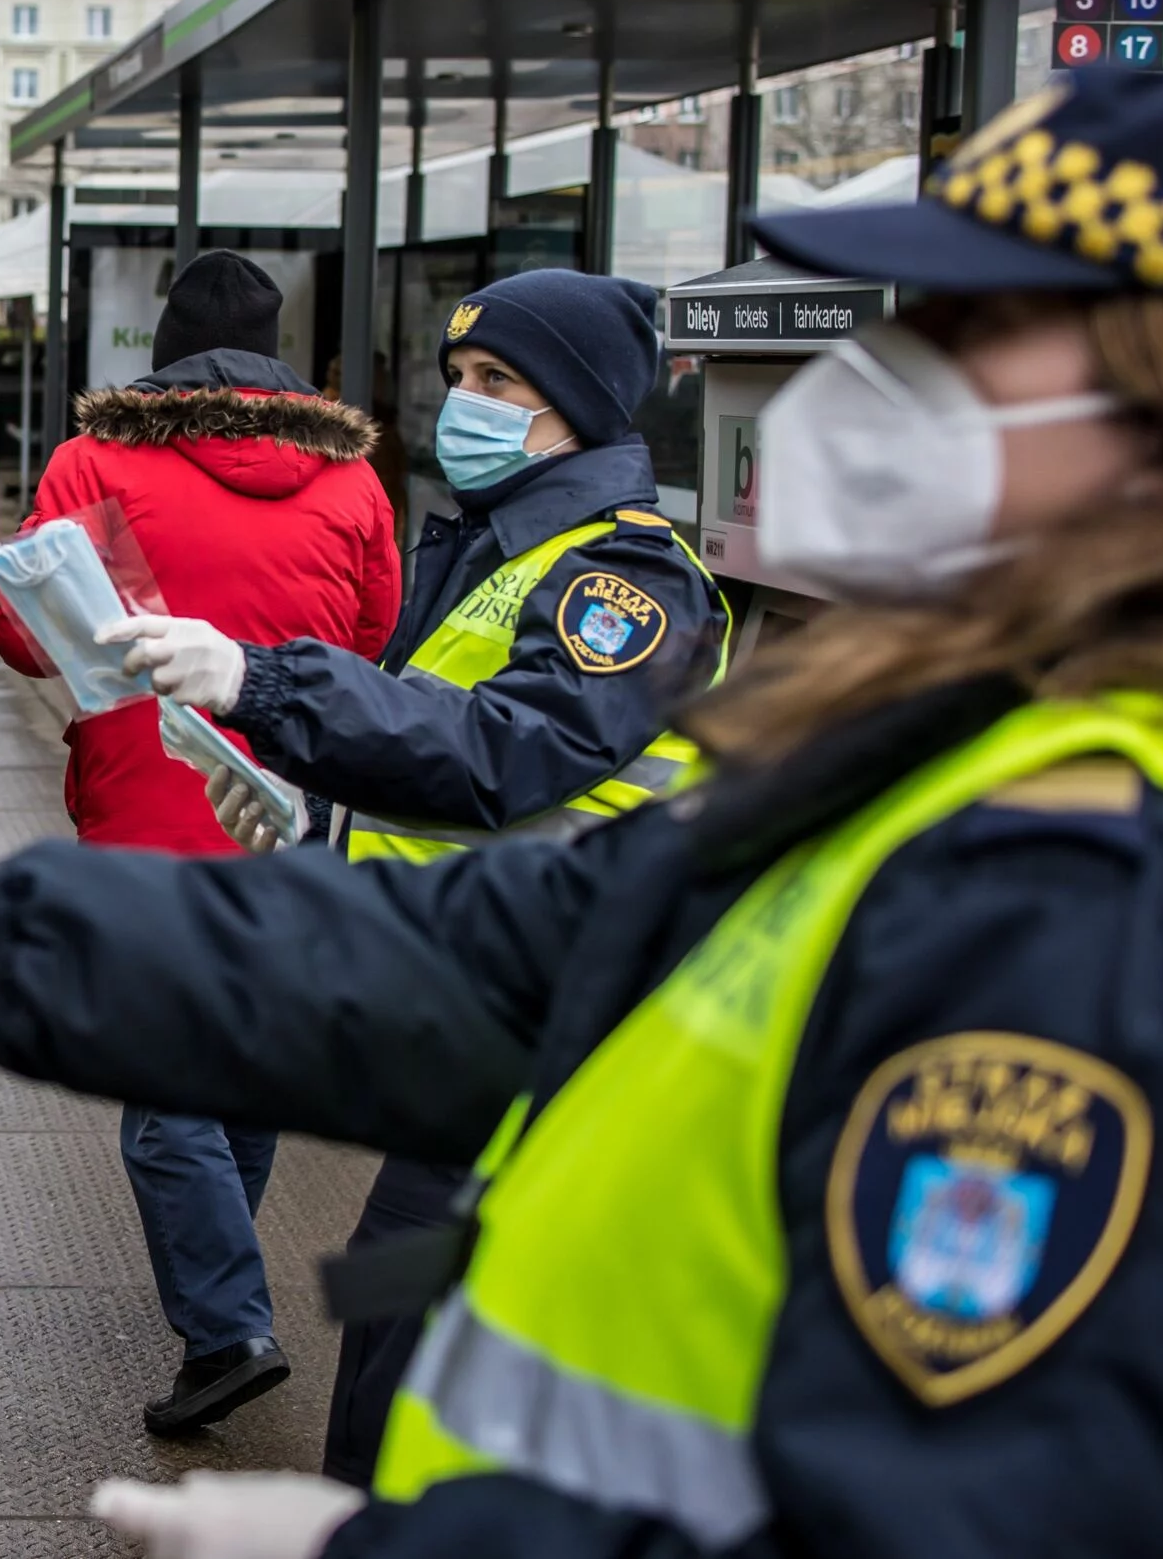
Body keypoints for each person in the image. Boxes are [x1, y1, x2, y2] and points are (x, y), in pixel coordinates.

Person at [0, 67, 1163, 1559]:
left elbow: (969, 1504)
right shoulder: (950, 745)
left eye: (976, 337)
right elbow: (502, 948)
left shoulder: (1099, 895)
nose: (891, 386)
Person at [108, 266, 732, 1479]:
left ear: (582, 404)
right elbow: (435, 757)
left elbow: (513, 752)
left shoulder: (626, 581)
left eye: (500, 380)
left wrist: (262, 679)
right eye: (458, 378)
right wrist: (312, 817)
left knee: (424, 1367)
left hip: (568, 1043)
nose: (466, 403)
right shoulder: (497, 549)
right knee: (400, 1348)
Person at [0, 249, 399, 1436]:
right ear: (282, 351)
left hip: (146, 798)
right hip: (289, 804)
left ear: (161, 345)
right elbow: (369, 641)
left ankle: (225, 1325)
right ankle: (224, 1290)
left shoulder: (94, 460)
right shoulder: (351, 477)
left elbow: (23, 630)